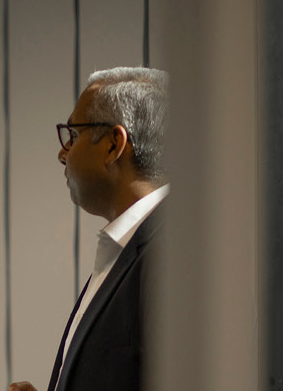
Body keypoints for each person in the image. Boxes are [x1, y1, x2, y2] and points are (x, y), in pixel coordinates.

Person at [9, 67, 169, 391]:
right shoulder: (126, 248)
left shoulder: (173, 255)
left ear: (113, 145)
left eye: (73, 135)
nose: (62, 153)